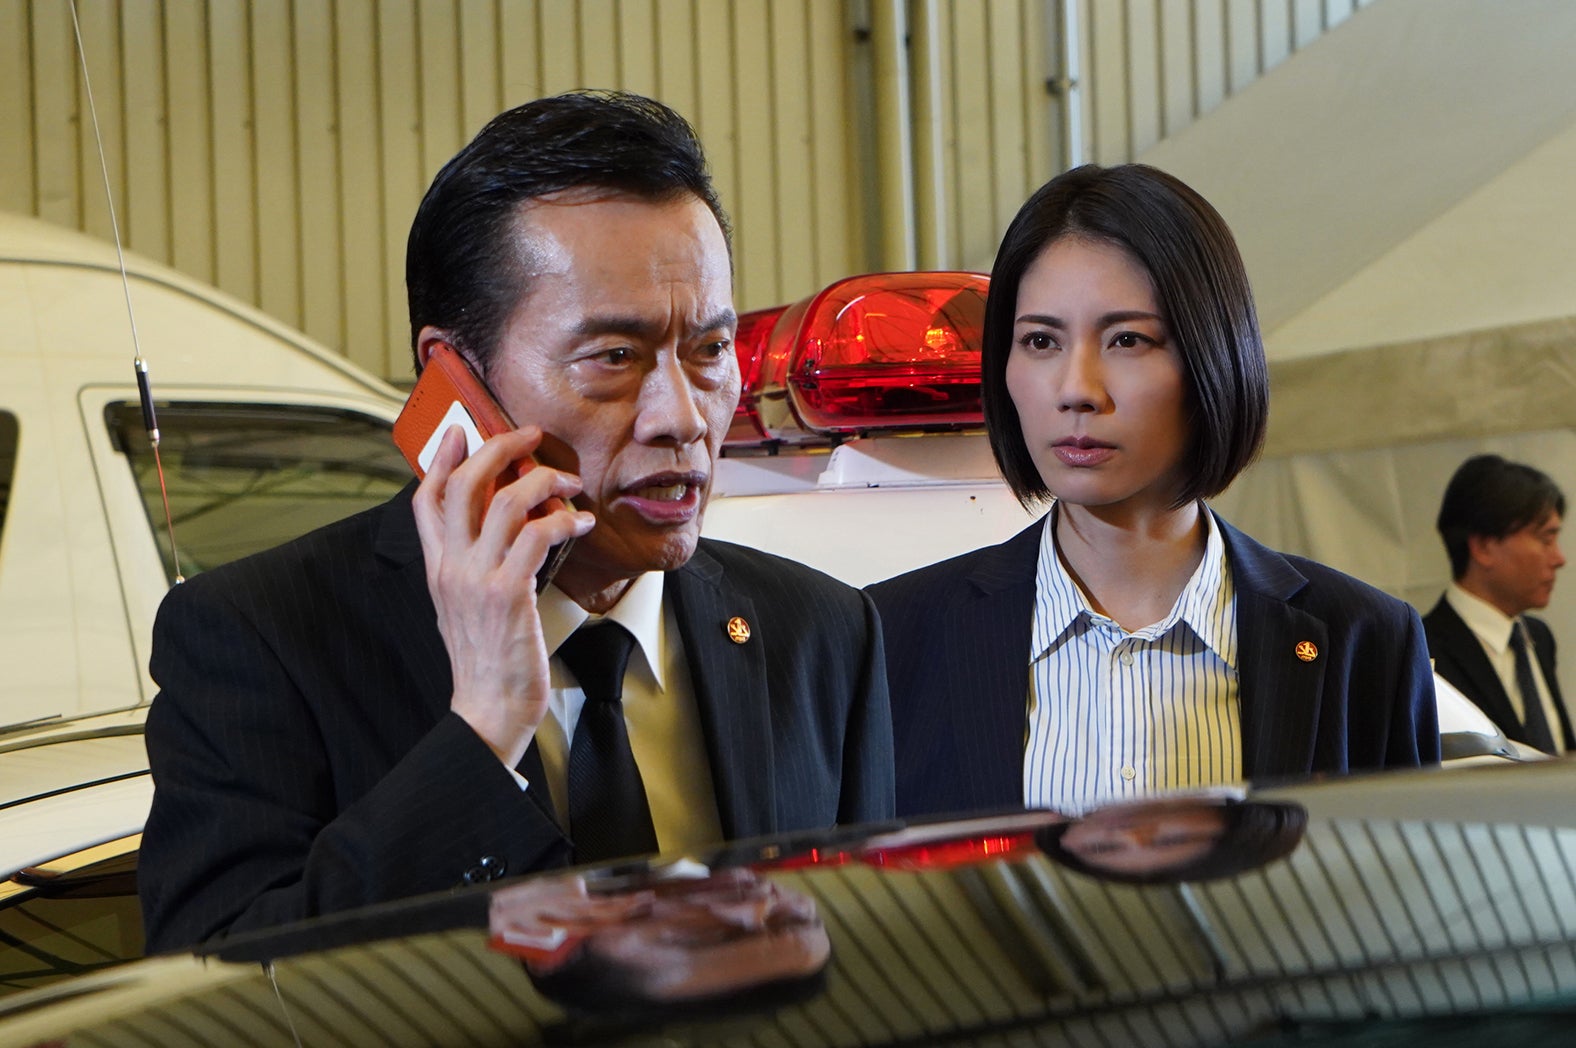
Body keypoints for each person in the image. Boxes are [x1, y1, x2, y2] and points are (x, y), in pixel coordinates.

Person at [139, 90, 893, 953]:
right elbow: (222, 990)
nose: (682, 417)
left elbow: (864, 964)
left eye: (709, 350)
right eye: (614, 357)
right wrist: (484, 730)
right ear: (454, 377)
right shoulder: (261, 639)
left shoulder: (821, 634)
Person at [867, 163, 1438, 820]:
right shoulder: (890, 638)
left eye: (1127, 339)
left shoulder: (1363, 639)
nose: (1076, 389)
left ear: (1212, 356)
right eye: (1041, 340)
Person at [1423, 454, 1570, 754]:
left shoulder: (1537, 638)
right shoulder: (1422, 653)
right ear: (1484, 547)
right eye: (1546, 539)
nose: (1559, 559)